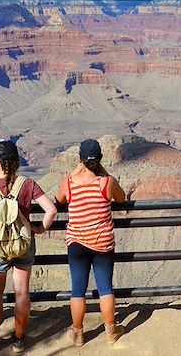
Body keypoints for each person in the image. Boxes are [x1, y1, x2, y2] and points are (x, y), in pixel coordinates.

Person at [0, 139, 57, 354]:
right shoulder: (28, 184)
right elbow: (52, 210)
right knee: (22, 293)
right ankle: (18, 340)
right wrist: (39, 229)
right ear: (16, 161)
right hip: (23, 244)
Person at [55, 138, 126, 346]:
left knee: (78, 289)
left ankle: (77, 333)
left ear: (80, 159)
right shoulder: (107, 182)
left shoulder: (69, 182)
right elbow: (120, 198)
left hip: (77, 242)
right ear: (100, 159)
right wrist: (102, 172)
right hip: (103, 243)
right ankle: (111, 330)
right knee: (105, 287)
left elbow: (58, 199)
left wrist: (76, 172)